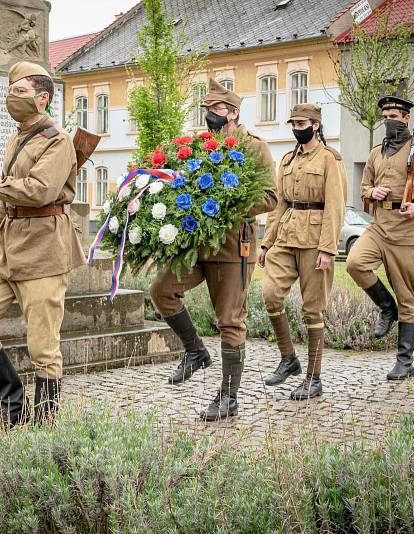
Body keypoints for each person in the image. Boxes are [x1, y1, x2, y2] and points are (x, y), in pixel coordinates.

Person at [0, 61, 85, 426]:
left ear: (42, 99)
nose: (11, 98)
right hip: (7, 248)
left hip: (45, 248)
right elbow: (8, 188)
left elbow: (40, 190)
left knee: (43, 348)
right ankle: (12, 402)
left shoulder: (58, 141)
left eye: (20, 92)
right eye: (10, 91)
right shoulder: (16, 136)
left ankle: (43, 428)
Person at [149, 78, 278, 421]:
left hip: (232, 247)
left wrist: (229, 206)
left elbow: (271, 197)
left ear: (234, 112)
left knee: (230, 321)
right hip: (196, 244)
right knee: (161, 290)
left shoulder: (255, 148)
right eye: (207, 110)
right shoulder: (202, 146)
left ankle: (228, 397)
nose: (211, 116)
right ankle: (195, 351)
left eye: (217, 110)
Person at [346, 96, 414, 380]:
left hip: (406, 232)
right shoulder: (376, 153)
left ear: (405, 118)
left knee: (408, 297)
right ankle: (385, 307)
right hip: (379, 226)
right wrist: (371, 192)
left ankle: (405, 361)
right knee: (355, 263)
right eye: (385, 114)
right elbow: (364, 186)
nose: (388, 119)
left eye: (393, 114)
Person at [259, 103, 347, 400]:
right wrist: (266, 242)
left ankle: (313, 377)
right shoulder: (287, 160)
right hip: (286, 236)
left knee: (312, 309)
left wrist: (328, 248)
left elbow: (335, 206)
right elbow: (279, 205)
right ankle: (288, 358)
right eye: (293, 124)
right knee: (270, 294)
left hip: (314, 241)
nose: (297, 128)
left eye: (302, 123)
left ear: (316, 125)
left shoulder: (329, 160)